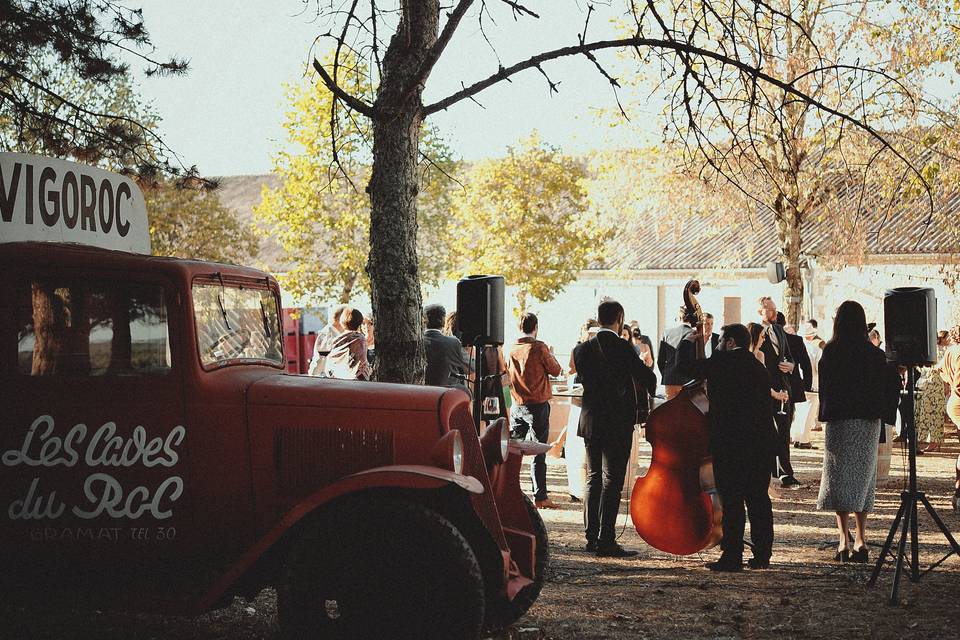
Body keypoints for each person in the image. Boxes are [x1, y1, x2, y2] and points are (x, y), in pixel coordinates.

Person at [678, 323, 776, 571]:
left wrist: (688, 341)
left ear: (731, 342)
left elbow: (683, 369)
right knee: (758, 500)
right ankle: (762, 555)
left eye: (721, 340)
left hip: (731, 443)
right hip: (761, 443)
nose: (719, 345)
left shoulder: (721, 363)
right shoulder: (758, 367)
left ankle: (732, 556)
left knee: (732, 500)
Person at [816, 300, 899, 563]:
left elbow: (825, 387)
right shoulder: (874, 354)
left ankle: (843, 541)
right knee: (864, 479)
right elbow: (887, 387)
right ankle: (862, 540)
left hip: (840, 422)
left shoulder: (831, 351)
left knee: (840, 478)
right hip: (866, 422)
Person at [573, 300, 657, 557]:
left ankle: (591, 537)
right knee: (612, 480)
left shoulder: (581, 350)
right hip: (617, 421)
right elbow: (649, 380)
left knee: (593, 476)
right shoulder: (624, 347)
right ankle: (606, 539)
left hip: (590, 420)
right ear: (620, 318)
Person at [508, 313, 563, 509]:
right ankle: (540, 497)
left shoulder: (512, 349)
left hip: (517, 405)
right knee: (539, 452)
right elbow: (556, 370)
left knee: (513, 452)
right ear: (536, 327)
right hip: (538, 406)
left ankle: (508, 491)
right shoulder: (539, 347)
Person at [758, 297, 810, 489]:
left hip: (784, 388)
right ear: (760, 312)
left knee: (784, 431)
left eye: (774, 309)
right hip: (765, 389)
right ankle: (771, 471)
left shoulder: (780, 330)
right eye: (769, 310)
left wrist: (791, 365)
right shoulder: (754, 332)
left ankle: (786, 473)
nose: (774, 313)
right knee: (768, 432)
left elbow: (789, 356)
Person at [937, 325, 960, 507]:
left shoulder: (951, 351)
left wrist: (949, 384)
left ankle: (958, 492)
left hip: (954, 400)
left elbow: (941, 371)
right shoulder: (958, 352)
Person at [423, 304, 471, 390]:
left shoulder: (419, 343)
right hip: (447, 395)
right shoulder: (453, 342)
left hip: (423, 393)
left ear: (424, 321)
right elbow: (471, 367)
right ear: (443, 320)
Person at [793, 321, 823, 449]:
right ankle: (804, 439)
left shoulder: (796, 347)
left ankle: (797, 437)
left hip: (798, 383)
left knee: (799, 412)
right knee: (809, 413)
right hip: (812, 385)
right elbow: (818, 367)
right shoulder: (816, 349)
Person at [658, 308, 696, 399]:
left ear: (679, 317)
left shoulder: (667, 333)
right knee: (686, 411)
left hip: (670, 380)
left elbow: (660, 360)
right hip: (688, 381)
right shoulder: (694, 334)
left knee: (671, 411)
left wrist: (667, 373)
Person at [324, 307, 371, 380]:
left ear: (342, 323)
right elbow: (362, 366)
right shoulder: (360, 339)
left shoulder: (336, 340)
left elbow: (329, 364)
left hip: (336, 381)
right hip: (354, 384)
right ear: (360, 323)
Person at [308, 304, 347, 375]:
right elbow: (322, 359)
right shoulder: (329, 335)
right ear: (342, 319)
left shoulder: (332, 333)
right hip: (323, 379)